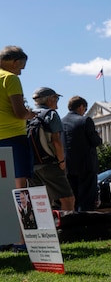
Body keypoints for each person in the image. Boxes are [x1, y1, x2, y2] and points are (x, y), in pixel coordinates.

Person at [30, 87, 75, 212]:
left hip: (32, 165)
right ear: (50, 99)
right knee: (67, 199)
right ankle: (67, 230)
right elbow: (56, 141)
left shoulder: (29, 115)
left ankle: (45, 230)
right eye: (56, 98)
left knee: (41, 201)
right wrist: (61, 162)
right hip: (49, 163)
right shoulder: (51, 115)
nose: (57, 101)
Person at [0, 46, 37, 190]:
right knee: (19, 185)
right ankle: (20, 213)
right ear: (15, 62)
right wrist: (30, 114)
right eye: (21, 67)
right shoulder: (10, 78)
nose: (20, 72)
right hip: (14, 138)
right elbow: (20, 113)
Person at [61, 96, 102, 211]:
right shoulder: (85, 120)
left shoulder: (60, 122)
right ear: (81, 107)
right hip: (86, 166)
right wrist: (98, 137)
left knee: (73, 198)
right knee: (87, 200)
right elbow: (95, 141)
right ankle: (85, 225)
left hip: (68, 166)